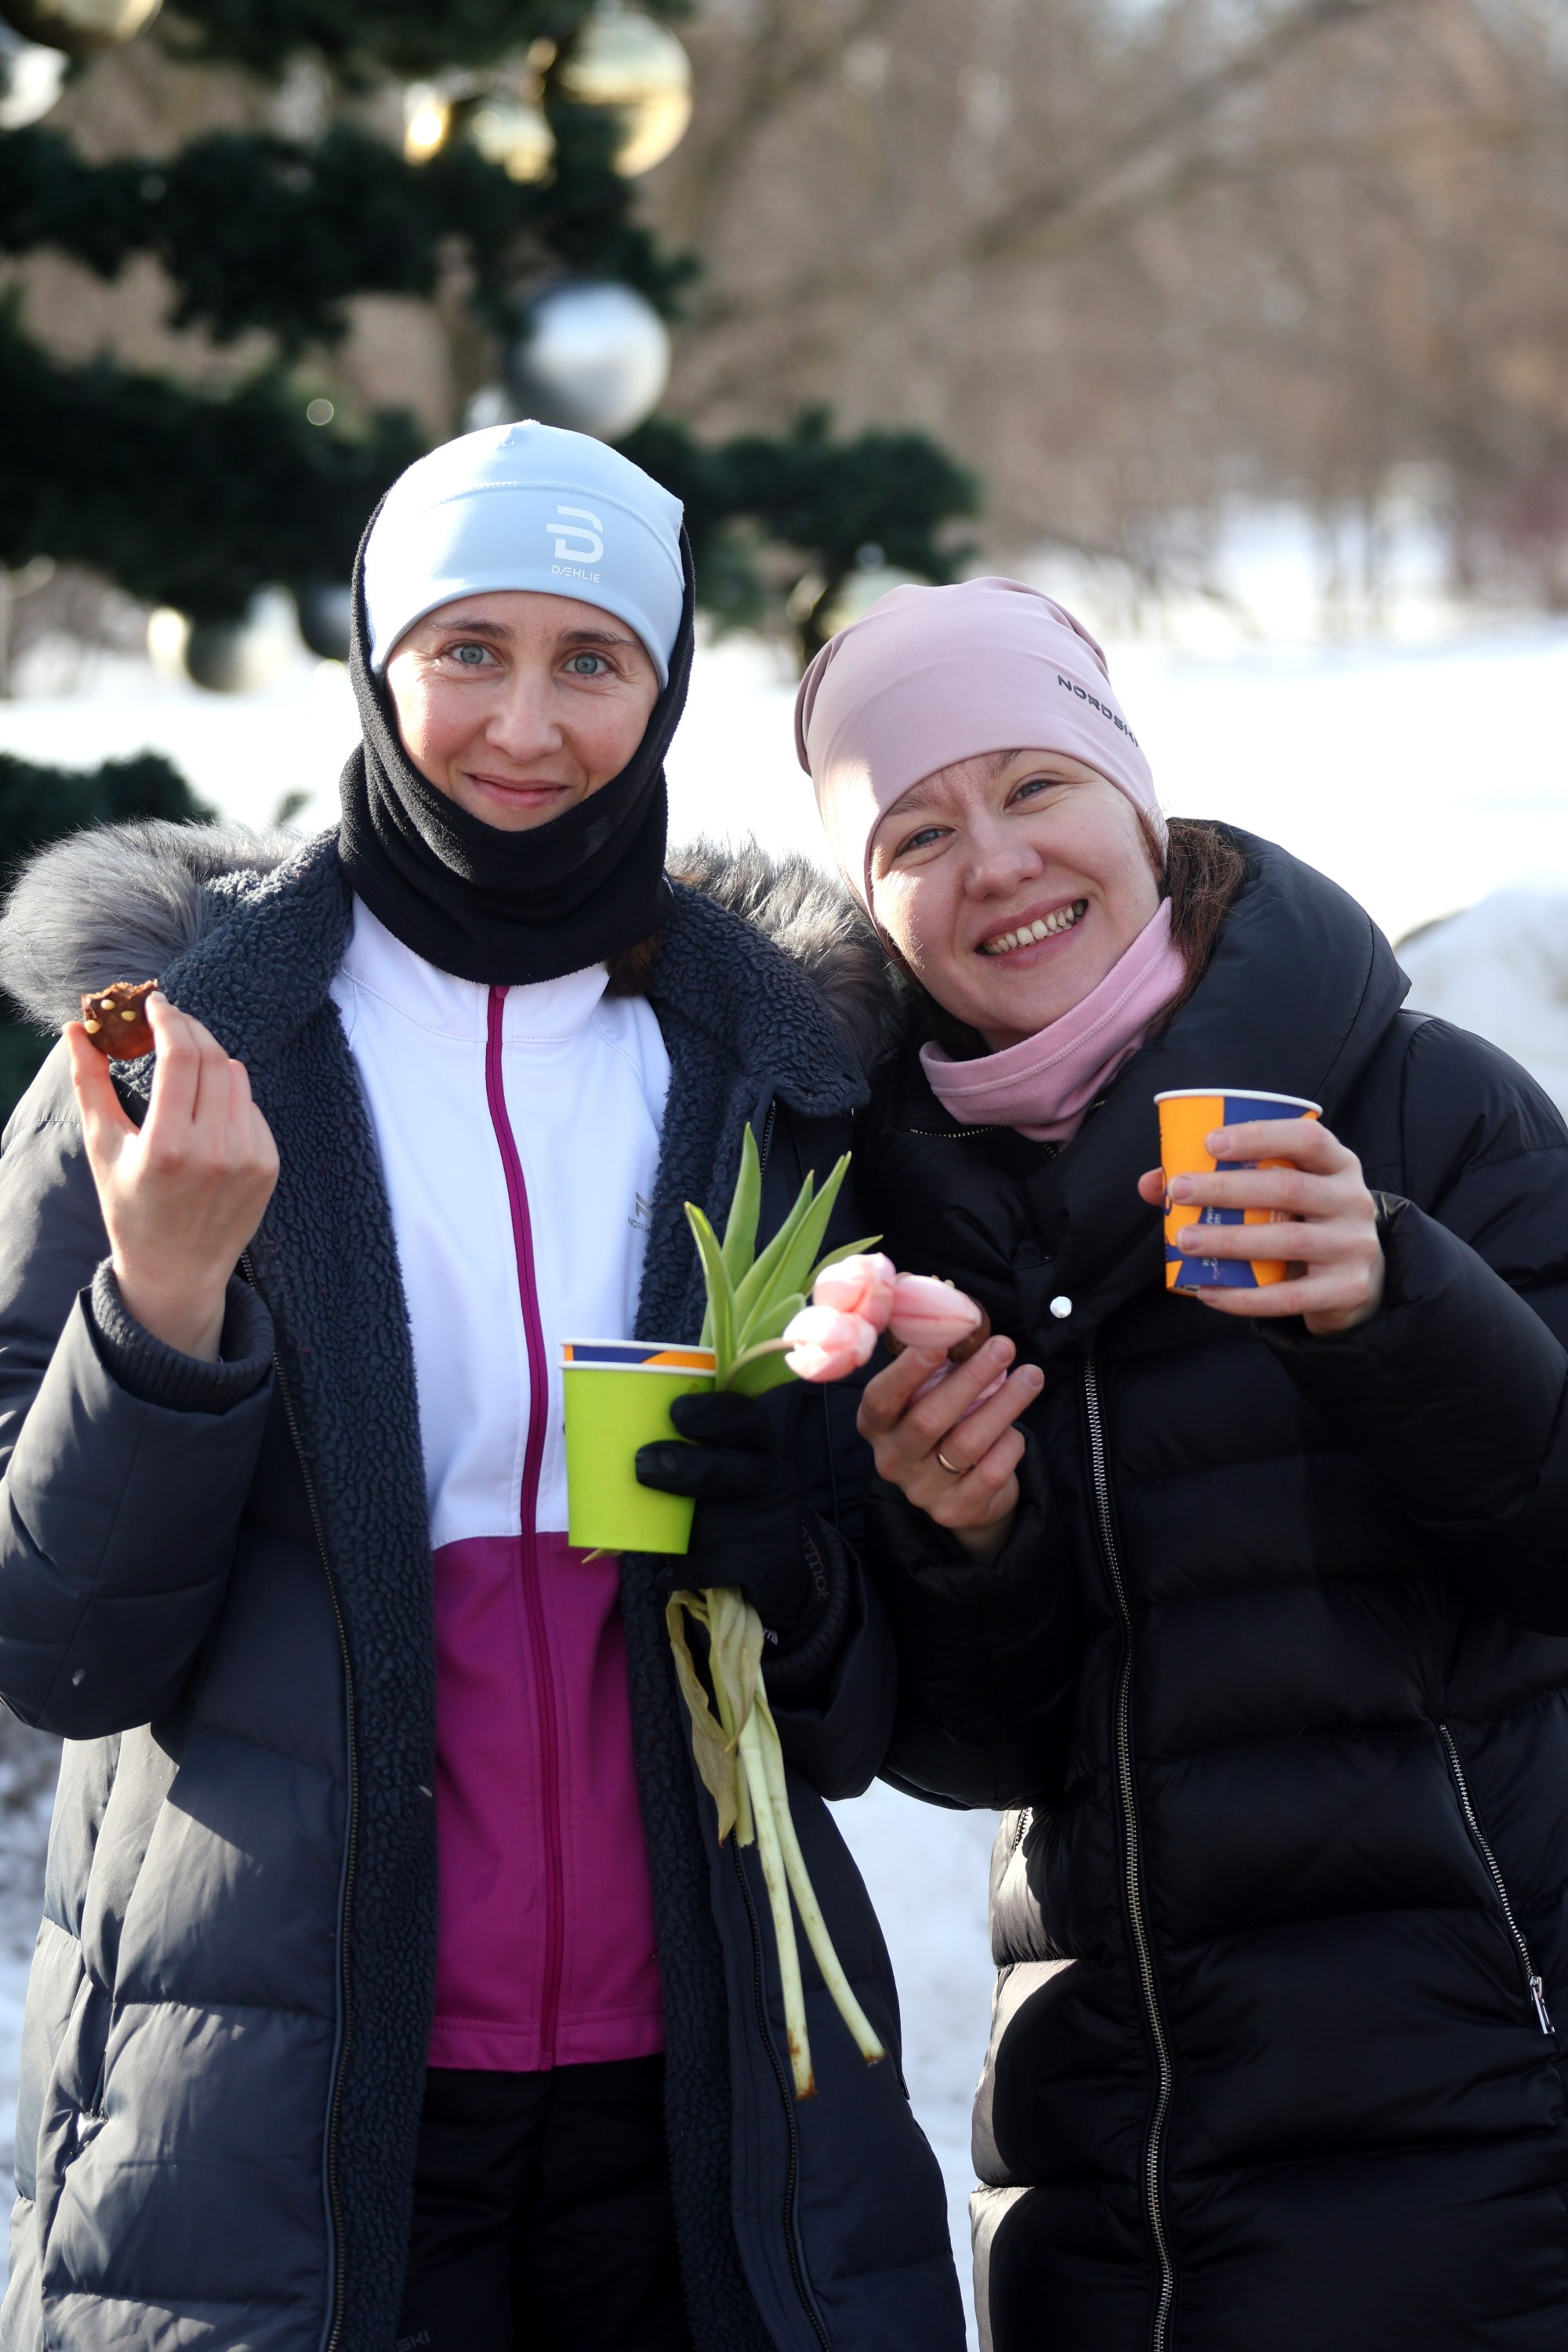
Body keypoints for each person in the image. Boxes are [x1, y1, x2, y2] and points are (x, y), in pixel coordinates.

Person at [0, 424, 964, 2352]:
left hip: (713, 2092)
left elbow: (872, 1706)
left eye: (591, 659)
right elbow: (58, 1650)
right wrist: (165, 1300)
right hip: (280, 2089)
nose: (526, 723)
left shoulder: (780, 1067)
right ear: (374, 657)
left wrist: (794, 1550)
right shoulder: (175, 1053)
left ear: (668, 681)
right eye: (469, 651)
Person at [794, 574, 1568, 2352]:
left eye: (1034, 785)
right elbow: (977, 1750)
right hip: (1111, 2164)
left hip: (1475, 2120)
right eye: (917, 828)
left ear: (1134, 803)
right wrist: (960, 1539)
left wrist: (1399, 1303)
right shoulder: (888, 1227)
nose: (992, 859)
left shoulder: (1424, 1105)